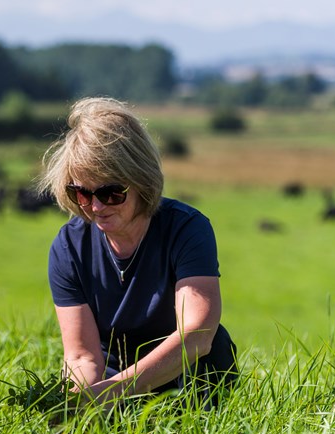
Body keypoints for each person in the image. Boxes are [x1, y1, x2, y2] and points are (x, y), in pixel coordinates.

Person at [39, 97, 237, 410]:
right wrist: (82, 407)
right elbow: (81, 356)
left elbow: (197, 334)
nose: (96, 206)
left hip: (182, 373)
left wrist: (114, 392)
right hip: (110, 377)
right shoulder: (69, 246)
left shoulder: (186, 228)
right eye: (81, 193)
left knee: (214, 348)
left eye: (111, 193)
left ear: (141, 181)